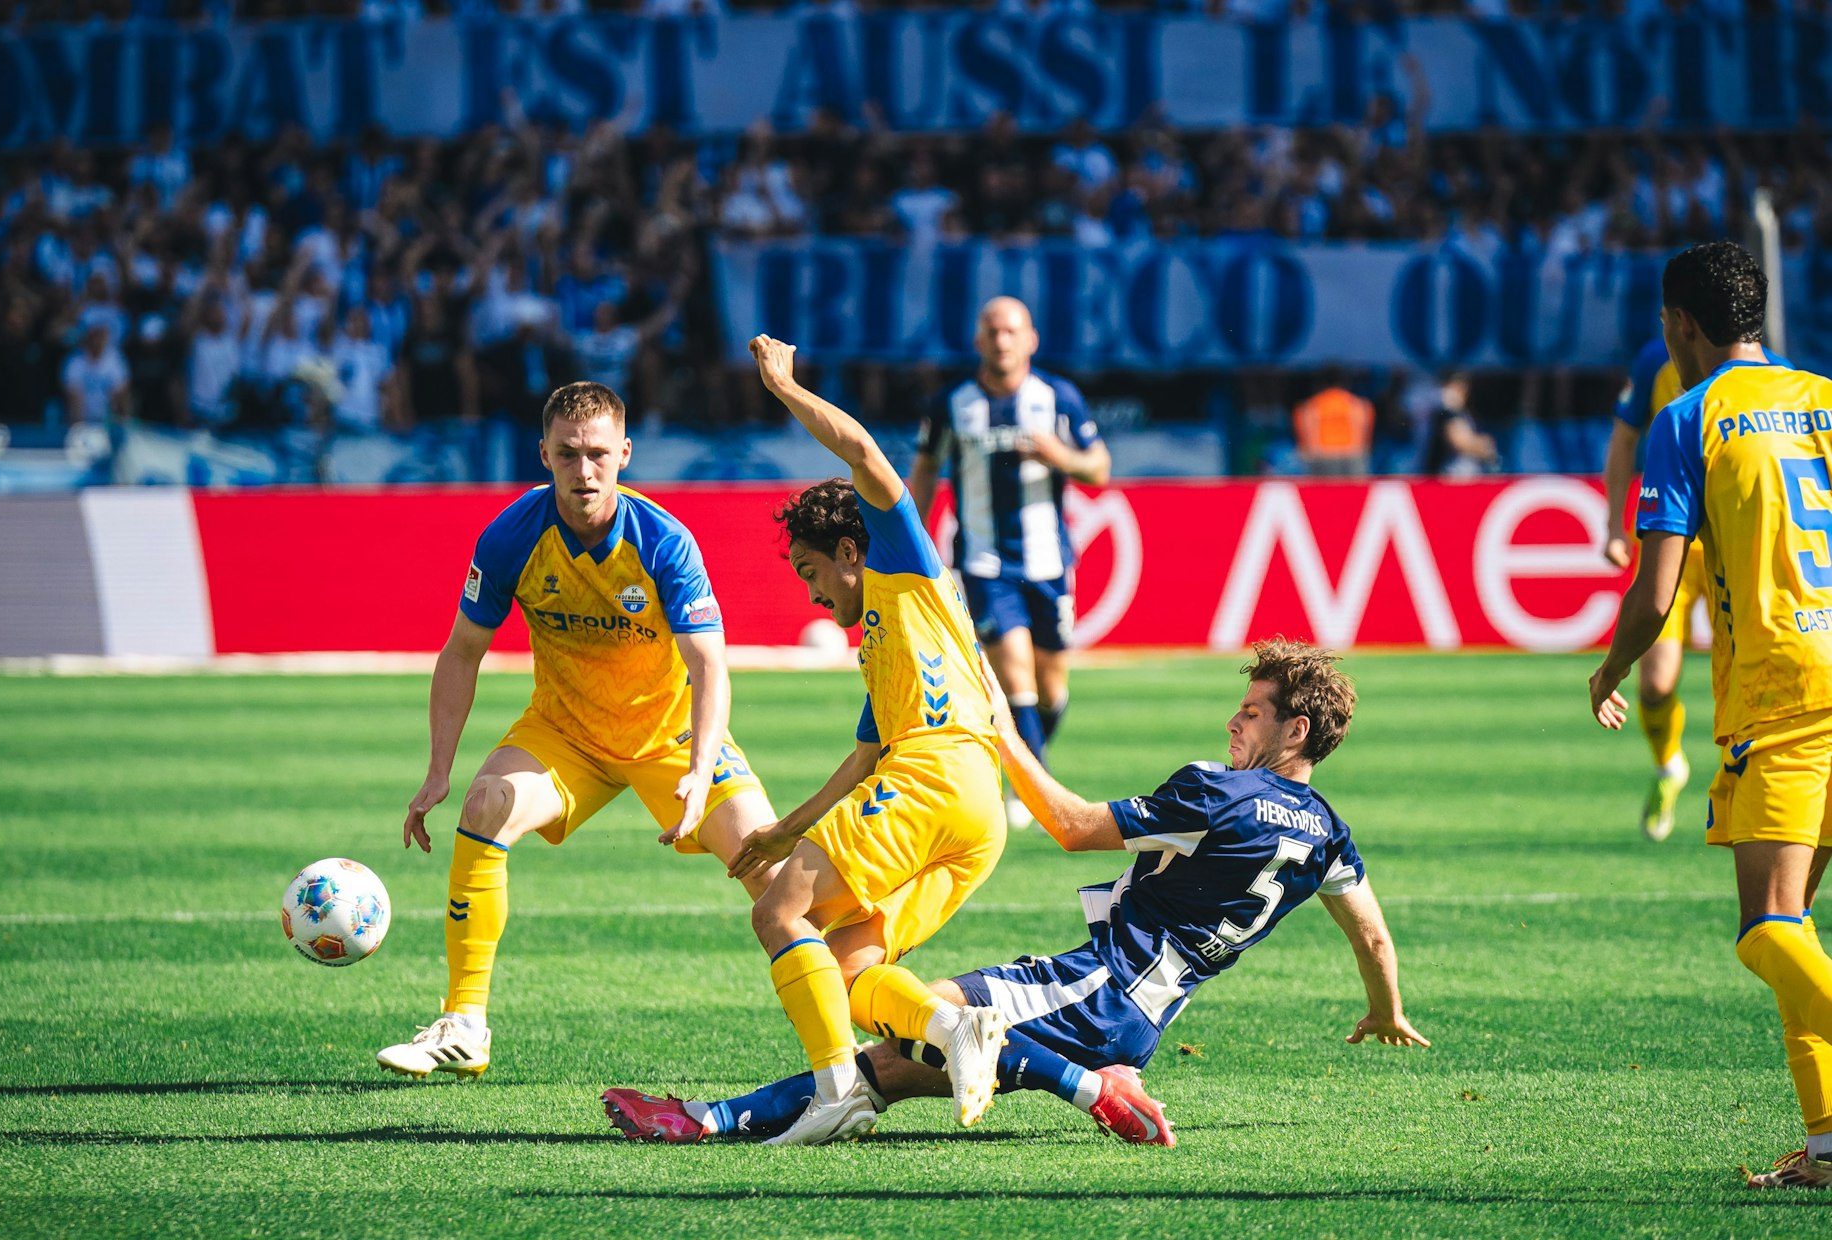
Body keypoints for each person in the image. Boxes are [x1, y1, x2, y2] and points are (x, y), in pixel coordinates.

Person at [603, 639, 1428, 1146]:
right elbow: (1374, 937)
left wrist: (999, 730)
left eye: (1251, 713)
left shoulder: (1219, 794)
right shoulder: (1327, 833)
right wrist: (1385, 1009)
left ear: (1297, 732)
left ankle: (1091, 1088)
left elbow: (1071, 825)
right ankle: (707, 1119)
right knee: (887, 1068)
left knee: (918, 1009)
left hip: (1100, 986)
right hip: (1144, 1016)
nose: (1232, 725)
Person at [376, 381, 780, 1079]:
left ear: (624, 453)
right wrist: (439, 770)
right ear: (545, 455)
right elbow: (461, 652)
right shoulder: (512, 536)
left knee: (773, 871)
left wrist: (699, 767)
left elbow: (709, 666)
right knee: (485, 805)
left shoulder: (664, 542)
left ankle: (862, 1023)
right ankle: (465, 1023)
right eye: (568, 454)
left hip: (669, 736)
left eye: (597, 454)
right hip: (566, 734)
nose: (584, 471)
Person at [1588, 240, 1832, 1191]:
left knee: (1764, 928)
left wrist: (1608, 670)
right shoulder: (1823, 398)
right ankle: (1825, 1149)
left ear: (1680, 324)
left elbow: (1657, 595)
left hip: (1782, 692)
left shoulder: (1688, 419)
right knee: (1796, 920)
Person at [725, 335, 1010, 1146]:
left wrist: (784, 385)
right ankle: (952, 1028)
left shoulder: (902, 564)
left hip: (935, 771)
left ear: (851, 551)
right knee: (849, 968)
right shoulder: (884, 644)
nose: (812, 595)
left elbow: (861, 450)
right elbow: (861, 761)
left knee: (780, 913)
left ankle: (838, 1091)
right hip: (974, 815)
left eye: (811, 572)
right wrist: (786, 830)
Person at [909, 296, 1111, 829]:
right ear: (978, 341)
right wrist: (911, 536)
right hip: (982, 561)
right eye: (993, 332)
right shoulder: (951, 402)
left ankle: (1025, 758)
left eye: (1011, 331)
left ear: (1030, 340)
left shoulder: (1058, 397)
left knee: (1051, 688)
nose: (1002, 341)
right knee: (1013, 668)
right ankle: (1036, 792)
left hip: (1049, 561)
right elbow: (926, 467)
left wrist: (1059, 456)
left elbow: (1098, 469)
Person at [1601, 333, 1705, 841]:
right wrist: (1614, 525)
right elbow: (1623, 439)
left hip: (1743, 544)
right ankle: (1670, 766)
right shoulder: (1652, 361)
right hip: (1676, 543)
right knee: (1656, 684)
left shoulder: (1774, 371)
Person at [1418, 370, 1497, 478]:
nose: (1464, 390)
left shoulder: (1455, 411)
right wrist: (1483, 445)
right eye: (1460, 385)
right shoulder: (1446, 409)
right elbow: (1459, 442)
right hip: (1449, 478)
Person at [1293, 371, 1374, 477]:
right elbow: (1362, 442)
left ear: (1319, 384)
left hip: (1321, 458)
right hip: (1351, 458)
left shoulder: (1309, 407)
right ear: (1346, 383)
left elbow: (1307, 444)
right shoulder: (1358, 406)